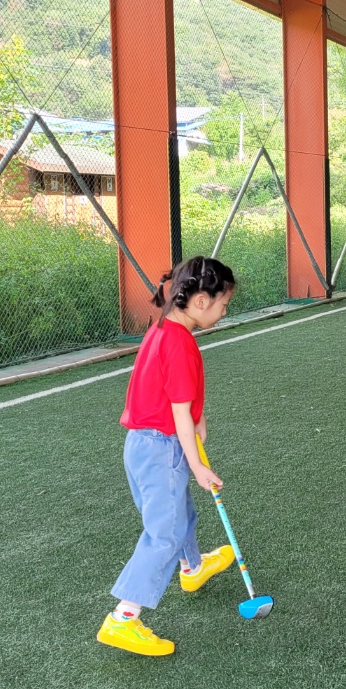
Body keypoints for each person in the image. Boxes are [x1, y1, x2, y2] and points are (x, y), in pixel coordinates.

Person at [97, 256, 239, 658]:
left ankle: (192, 568)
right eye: (223, 304)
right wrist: (196, 464)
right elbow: (178, 407)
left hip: (143, 446)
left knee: (178, 516)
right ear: (199, 301)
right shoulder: (180, 343)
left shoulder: (162, 327)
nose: (224, 311)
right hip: (162, 448)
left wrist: (198, 417)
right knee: (165, 532)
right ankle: (123, 618)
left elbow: (175, 395)